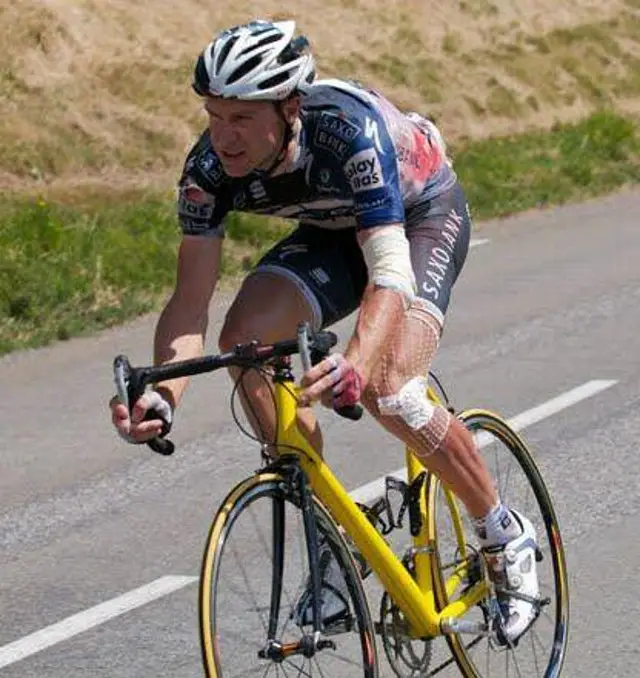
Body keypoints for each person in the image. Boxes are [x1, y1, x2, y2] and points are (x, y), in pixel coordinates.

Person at [109, 19, 539, 644]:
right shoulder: (207, 169)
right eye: (213, 115)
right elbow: (189, 303)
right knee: (247, 345)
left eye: (241, 120)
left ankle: (503, 531)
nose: (222, 136)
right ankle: (334, 536)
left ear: (290, 109)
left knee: (388, 388)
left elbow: (389, 273)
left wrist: (358, 363)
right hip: (332, 232)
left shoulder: (347, 133)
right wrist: (162, 396)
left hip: (418, 218)